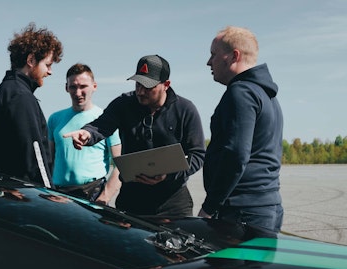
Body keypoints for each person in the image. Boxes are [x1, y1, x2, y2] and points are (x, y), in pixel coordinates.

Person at [64, 55, 205, 217]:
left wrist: (168, 175)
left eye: (148, 86)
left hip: (173, 204)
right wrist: (87, 134)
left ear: (166, 85)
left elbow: (198, 155)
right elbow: (100, 126)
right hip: (131, 201)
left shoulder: (185, 110)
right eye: (138, 84)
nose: (141, 91)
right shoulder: (123, 104)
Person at [198, 26, 284, 233]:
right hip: (265, 206)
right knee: (257, 267)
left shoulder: (241, 93)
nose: (209, 62)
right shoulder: (266, 94)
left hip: (242, 211)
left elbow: (235, 154)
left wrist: (209, 207)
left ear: (233, 56)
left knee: (228, 267)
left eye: (213, 54)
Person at [0, 23, 63, 187]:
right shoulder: (21, 96)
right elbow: (35, 155)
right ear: (31, 60)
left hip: (3, 188)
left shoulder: (3, 89)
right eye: (47, 65)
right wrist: (49, 193)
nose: (50, 72)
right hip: (23, 195)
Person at [48, 63, 122, 204]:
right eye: (73, 87)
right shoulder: (54, 119)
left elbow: (121, 165)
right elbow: (47, 160)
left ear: (94, 86)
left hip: (92, 193)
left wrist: (105, 196)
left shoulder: (106, 120)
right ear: (66, 88)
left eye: (83, 86)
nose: (78, 93)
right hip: (58, 194)